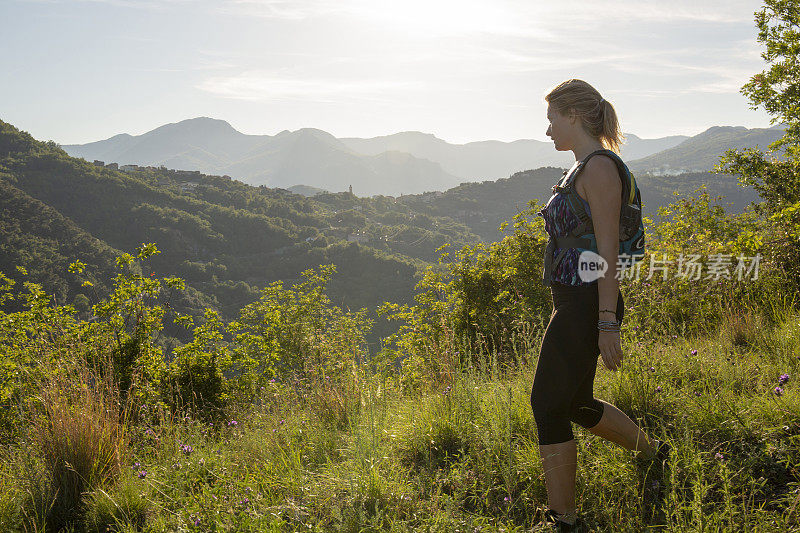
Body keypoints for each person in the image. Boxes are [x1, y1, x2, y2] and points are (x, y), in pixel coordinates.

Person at [530, 79, 668, 532]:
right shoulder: (581, 167)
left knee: (548, 404)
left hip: (588, 303)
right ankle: (654, 454)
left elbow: (608, 251)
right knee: (576, 402)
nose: (548, 129)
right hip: (574, 300)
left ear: (573, 115)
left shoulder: (601, 169)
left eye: (552, 119)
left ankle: (563, 519)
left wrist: (607, 322)